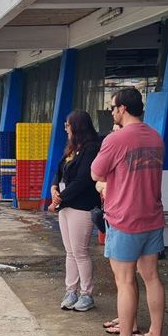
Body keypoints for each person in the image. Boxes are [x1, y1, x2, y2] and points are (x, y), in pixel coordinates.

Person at [91, 87, 167, 336]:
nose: (112, 112)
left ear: (122, 108)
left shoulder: (117, 139)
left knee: (124, 281)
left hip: (125, 219)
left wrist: (105, 182)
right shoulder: (156, 137)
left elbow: (96, 172)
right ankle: (154, 335)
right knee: (151, 277)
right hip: (152, 217)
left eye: (113, 107)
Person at [49, 110, 102, 312]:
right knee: (70, 252)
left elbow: (83, 181)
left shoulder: (91, 150)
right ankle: (71, 290)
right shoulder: (72, 149)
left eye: (67, 125)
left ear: (77, 127)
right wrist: (54, 188)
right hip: (66, 206)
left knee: (80, 252)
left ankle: (86, 294)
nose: (65, 128)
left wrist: (59, 198)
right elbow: (59, 170)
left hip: (82, 206)